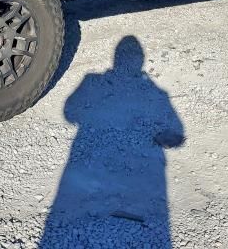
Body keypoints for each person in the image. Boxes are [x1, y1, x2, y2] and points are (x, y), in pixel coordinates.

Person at [41, 36, 184, 247]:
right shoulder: (157, 94)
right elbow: (179, 134)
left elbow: (70, 113)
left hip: (89, 172)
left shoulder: (92, 81)